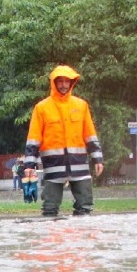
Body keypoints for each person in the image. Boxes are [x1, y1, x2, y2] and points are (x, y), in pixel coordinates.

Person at [23, 65, 104, 216]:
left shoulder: (81, 105)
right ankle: (53, 238)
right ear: (53, 83)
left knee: (85, 207)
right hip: (54, 167)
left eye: (67, 81)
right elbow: (33, 139)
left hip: (79, 166)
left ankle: (80, 238)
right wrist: (29, 165)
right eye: (60, 81)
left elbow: (90, 135)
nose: (64, 85)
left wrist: (98, 159)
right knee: (50, 209)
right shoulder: (42, 108)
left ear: (72, 83)